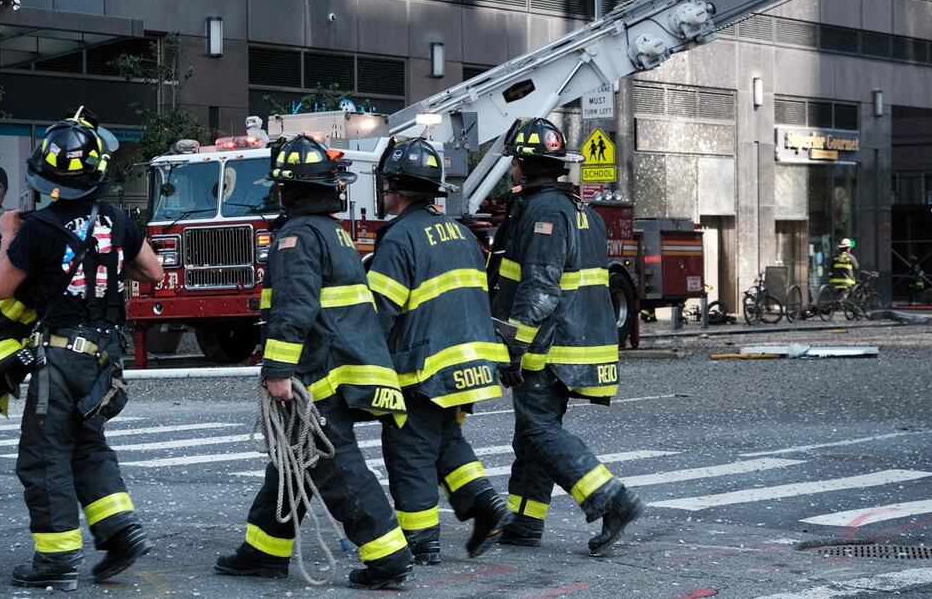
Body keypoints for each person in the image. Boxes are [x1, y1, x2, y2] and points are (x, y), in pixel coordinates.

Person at [214, 134, 414, 590]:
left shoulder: (297, 236)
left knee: (333, 462)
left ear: (288, 188)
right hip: (340, 365)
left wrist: (279, 371)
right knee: (293, 460)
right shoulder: (330, 232)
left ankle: (388, 554)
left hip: (320, 373)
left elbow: (294, 308)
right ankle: (264, 550)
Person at [0, 107, 164, 590]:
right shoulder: (117, 218)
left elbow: (1, 288)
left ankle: (56, 558)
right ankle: (122, 532)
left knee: (43, 457)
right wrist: (105, 266)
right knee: (87, 446)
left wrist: (8, 235)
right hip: (106, 358)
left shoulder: (38, 228)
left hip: (61, 357)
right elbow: (153, 272)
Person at [489, 118, 643, 555]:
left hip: (550, 346)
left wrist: (514, 345)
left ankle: (612, 499)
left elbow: (540, 287)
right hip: (575, 341)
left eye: (514, 163)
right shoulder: (580, 211)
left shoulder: (543, 213)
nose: (512, 171)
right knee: (533, 431)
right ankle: (524, 522)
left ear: (522, 163)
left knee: (538, 430)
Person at [367, 137, 513, 565]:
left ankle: (421, 541)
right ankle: (487, 505)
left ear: (395, 186)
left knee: (408, 450)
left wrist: (362, 363)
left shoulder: (398, 239)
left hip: (423, 366)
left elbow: (380, 312)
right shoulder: (462, 233)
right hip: (466, 362)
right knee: (446, 439)